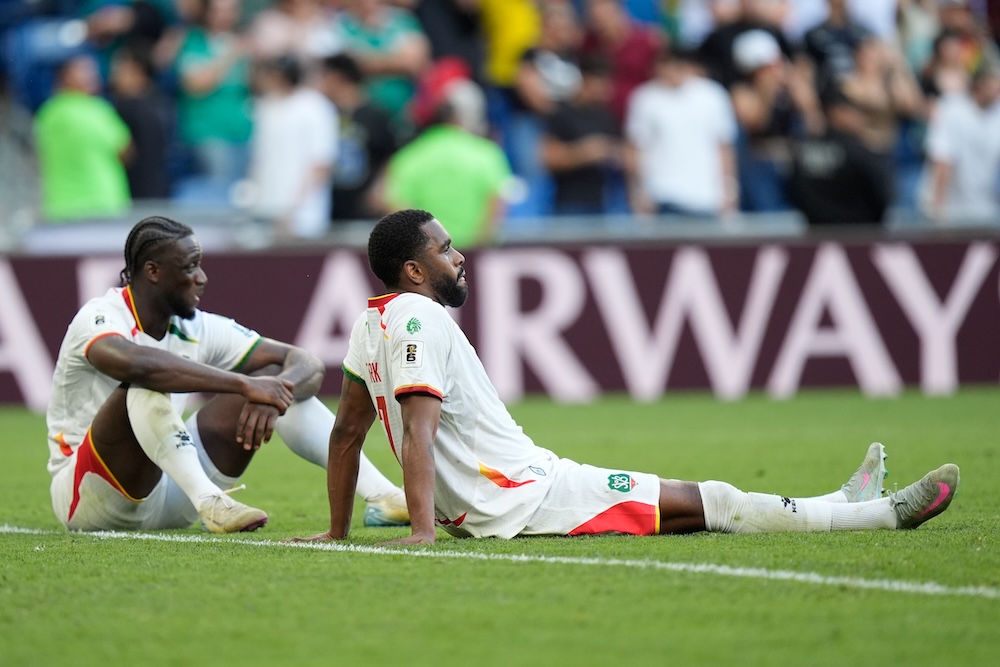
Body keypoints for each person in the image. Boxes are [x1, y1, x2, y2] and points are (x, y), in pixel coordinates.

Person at [291, 208, 960, 545]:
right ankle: (878, 515)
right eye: (445, 249)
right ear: (414, 270)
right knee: (713, 500)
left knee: (698, 503)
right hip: (527, 496)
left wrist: (338, 532)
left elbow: (346, 434)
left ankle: (844, 501)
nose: (459, 256)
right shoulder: (420, 317)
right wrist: (422, 531)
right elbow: (418, 428)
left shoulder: (371, 321)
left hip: (510, 492)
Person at [47, 215, 408, 533]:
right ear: (153, 271)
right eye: (190, 266)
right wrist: (245, 385)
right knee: (146, 382)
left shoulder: (197, 327)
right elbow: (133, 364)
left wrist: (273, 393)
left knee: (277, 378)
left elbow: (306, 363)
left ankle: (383, 495)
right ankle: (210, 501)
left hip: (171, 494)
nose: (202, 278)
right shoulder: (100, 316)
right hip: (91, 495)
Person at [384, 78, 512, 248]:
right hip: (474, 252)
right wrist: (480, 246)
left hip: (428, 255)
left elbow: (397, 208)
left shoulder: (408, 156)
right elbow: (497, 205)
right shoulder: (488, 154)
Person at [624, 47, 738, 217]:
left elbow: (724, 146)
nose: (672, 72)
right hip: (662, 195)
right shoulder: (645, 98)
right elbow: (635, 148)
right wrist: (637, 192)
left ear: (688, 66)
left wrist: (730, 190)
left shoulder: (712, 95)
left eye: (677, 66)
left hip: (707, 196)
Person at [248, 54, 338, 238]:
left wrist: (294, 209)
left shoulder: (315, 107)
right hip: (265, 210)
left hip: (303, 215)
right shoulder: (265, 106)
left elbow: (322, 163)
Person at [34, 54, 132, 220]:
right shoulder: (97, 110)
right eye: (85, 72)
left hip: (60, 206)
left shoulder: (47, 113)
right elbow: (126, 152)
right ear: (65, 77)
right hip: (103, 204)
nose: (92, 77)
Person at [787, 85, 895, 225]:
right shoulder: (858, 150)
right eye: (855, 110)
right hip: (861, 232)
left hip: (816, 232)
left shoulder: (803, 150)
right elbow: (883, 197)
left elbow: (793, 193)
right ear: (836, 113)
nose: (861, 117)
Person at [318, 52, 402, 222]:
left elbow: (392, 156)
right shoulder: (323, 115)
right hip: (329, 206)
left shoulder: (375, 115)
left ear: (337, 78)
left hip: (363, 206)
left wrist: (380, 188)